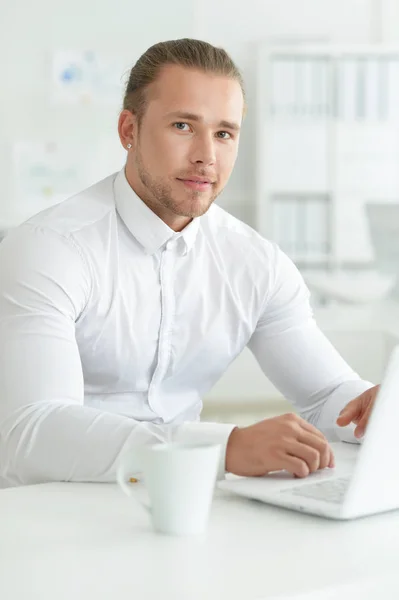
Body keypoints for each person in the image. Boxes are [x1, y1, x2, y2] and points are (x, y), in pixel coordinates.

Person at [0, 38, 379, 488]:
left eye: (224, 133)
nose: (206, 156)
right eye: (183, 126)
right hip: (55, 511)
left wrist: (376, 407)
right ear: (129, 131)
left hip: (186, 505)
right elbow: (32, 433)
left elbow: (328, 396)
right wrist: (223, 448)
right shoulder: (49, 248)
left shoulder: (256, 264)